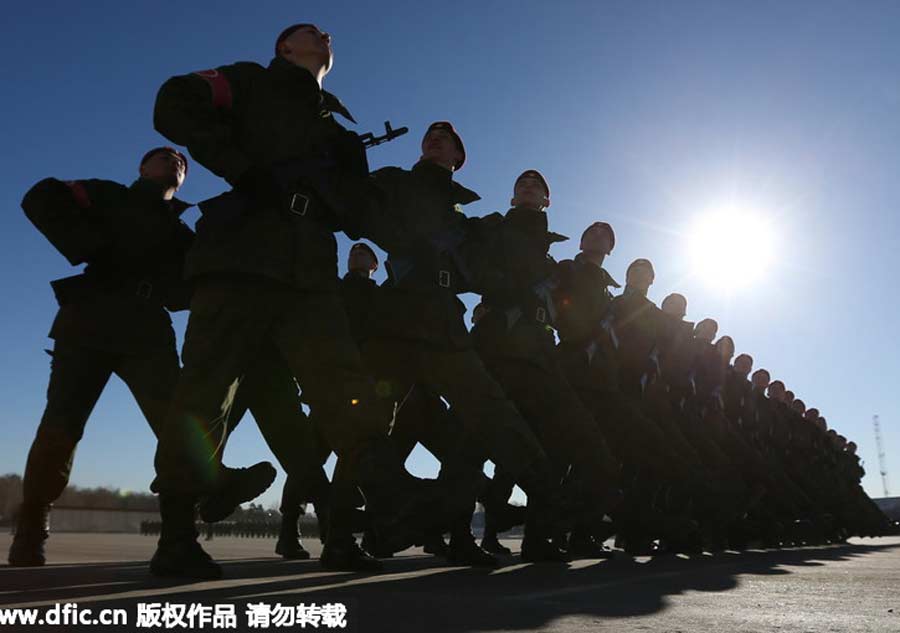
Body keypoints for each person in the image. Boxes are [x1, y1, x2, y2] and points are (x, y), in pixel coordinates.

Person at [150, 23, 430, 577]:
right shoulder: (251, 82)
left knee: (346, 390)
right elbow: (173, 102)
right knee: (204, 397)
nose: (326, 35)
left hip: (309, 271)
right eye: (310, 32)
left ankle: (368, 519)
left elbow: (360, 214)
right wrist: (242, 169)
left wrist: (408, 223)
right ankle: (176, 540)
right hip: (242, 254)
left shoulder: (339, 132)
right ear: (285, 48)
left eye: (327, 34)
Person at [10, 147, 193, 567]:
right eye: (164, 155)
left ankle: (180, 535)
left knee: (177, 427)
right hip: (87, 322)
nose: (176, 160)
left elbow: (197, 282)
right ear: (142, 168)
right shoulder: (108, 195)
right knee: (61, 424)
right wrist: (87, 244)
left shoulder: (182, 232)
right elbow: (40, 196)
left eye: (182, 161)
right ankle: (31, 526)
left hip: (147, 330)